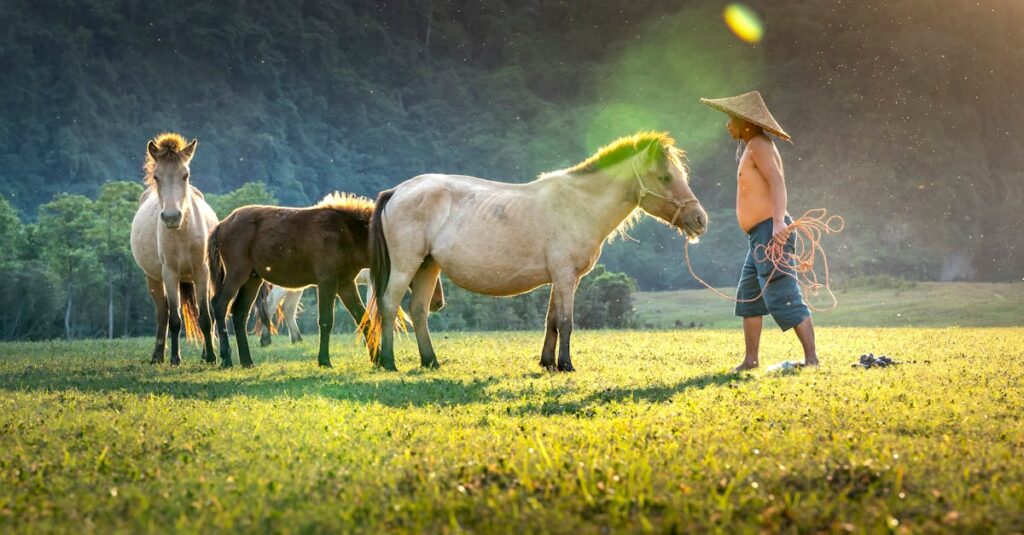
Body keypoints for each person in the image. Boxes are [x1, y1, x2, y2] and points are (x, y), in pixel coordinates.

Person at [700, 91, 818, 371]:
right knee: (749, 296)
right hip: (758, 237)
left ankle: (812, 359)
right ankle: (751, 360)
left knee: (783, 292)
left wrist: (779, 223)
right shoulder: (752, 145)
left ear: (746, 123)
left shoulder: (759, 145)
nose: (728, 126)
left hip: (769, 232)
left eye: (731, 120)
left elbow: (777, 182)